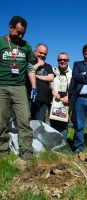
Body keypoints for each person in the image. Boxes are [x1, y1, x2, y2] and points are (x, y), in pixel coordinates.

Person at [0, 16, 37, 160]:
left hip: (20, 87)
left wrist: (33, 86)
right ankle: (3, 153)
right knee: (1, 121)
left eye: (23, 33)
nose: (21, 36)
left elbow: (29, 67)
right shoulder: (1, 42)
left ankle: (27, 155)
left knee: (24, 120)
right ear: (10, 28)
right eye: (18, 32)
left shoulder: (26, 45)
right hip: (1, 86)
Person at [26, 44, 54, 122]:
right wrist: (38, 64)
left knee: (39, 125)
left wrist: (36, 76)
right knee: (26, 123)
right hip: (28, 99)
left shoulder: (48, 66)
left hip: (42, 100)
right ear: (35, 52)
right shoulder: (28, 63)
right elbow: (26, 72)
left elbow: (51, 78)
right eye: (40, 53)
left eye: (45, 54)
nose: (42, 55)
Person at [49, 52, 73, 138]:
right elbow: (47, 85)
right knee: (53, 125)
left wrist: (69, 97)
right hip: (53, 102)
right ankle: (53, 145)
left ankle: (63, 146)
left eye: (65, 60)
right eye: (60, 60)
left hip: (66, 103)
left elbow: (74, 88)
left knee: (64, 126)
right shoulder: (51, 70)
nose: (62, 61)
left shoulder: (72, 73)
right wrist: (53, 92)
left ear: (68, 61)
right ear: (57, 60)